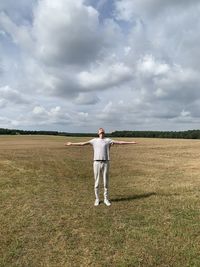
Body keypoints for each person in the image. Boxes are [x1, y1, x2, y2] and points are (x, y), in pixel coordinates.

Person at [65, 128, 137, 207]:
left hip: (106, 162)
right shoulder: (94, 140)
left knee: (106, 182)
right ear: (98, 133)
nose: (101, 134)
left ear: (104, 133)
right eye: (100, 133)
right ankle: (97, 199)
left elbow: (120, 142)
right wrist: (71, 144)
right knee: (97, 182)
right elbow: (82, 144)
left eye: (102, 132)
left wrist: (131, 142)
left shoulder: (108, 140)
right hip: (96, 162)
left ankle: (106, 199)